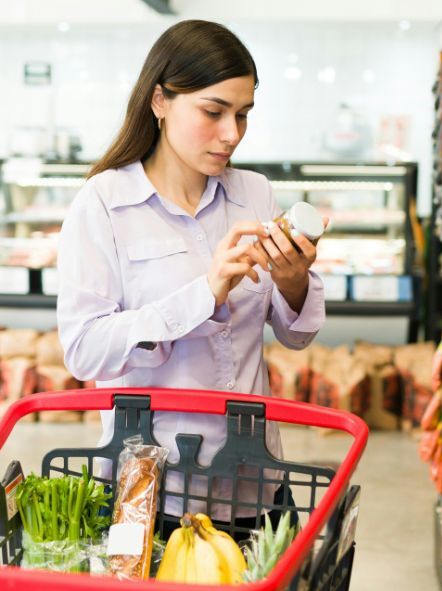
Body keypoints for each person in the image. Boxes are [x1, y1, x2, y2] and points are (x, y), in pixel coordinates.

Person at [56, 20, 326, 538]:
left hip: (253, 478)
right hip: (151, 489)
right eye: (213, 112)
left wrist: (294, 280)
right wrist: (204, 293)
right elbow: (85, 350)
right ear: (159, 100)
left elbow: (297, 334)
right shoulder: (105, 204)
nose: (232, 134)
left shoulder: (254, 194)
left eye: (243, 114)